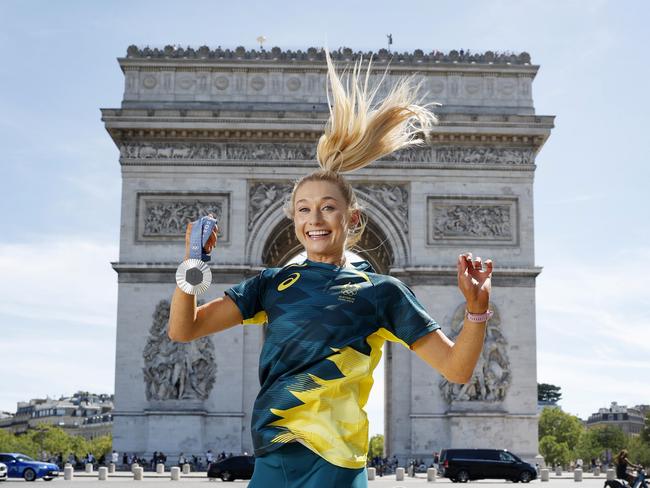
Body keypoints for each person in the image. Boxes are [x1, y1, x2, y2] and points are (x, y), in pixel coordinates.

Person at [168, 49, 493, 488]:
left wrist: (475, 311)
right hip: (274, 459)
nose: (315, 219)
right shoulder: (271, 284)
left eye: (327, 208)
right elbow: (182, 330)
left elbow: (456, 369)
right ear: (294, 221)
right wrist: (193, 264)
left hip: (338, 467)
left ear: (352, 218)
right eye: (304, 210)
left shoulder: (384, 293)